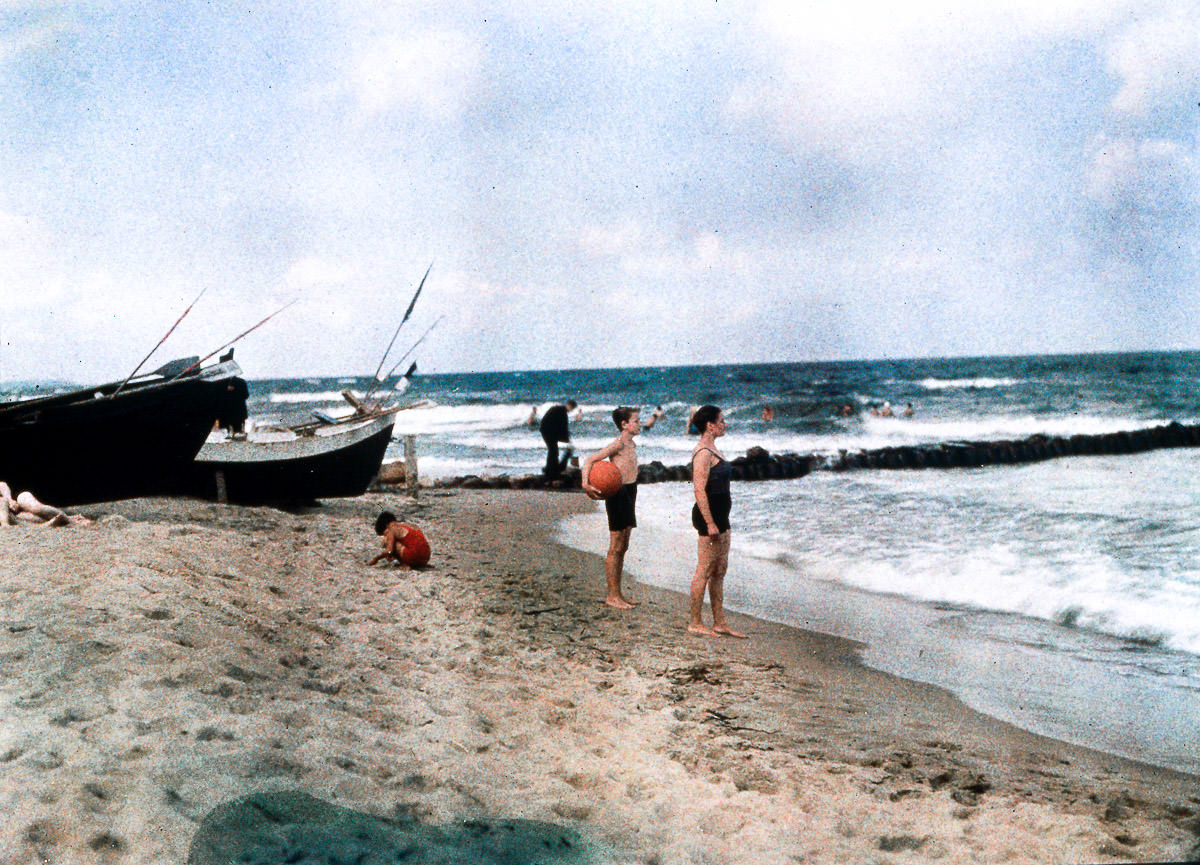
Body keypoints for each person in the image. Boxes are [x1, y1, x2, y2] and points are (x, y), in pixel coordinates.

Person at [686, 406, 746, 638]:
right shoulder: (702, 452)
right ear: (710, 425)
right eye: (721, 421)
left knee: (720, 570)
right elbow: (699, 490)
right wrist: (710, 523)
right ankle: (695, 621)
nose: (725, 424)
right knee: (704, 569)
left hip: (722, 515)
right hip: (708, 516)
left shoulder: (713, 448)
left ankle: (719, 622)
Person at [580, 407, 642, 609]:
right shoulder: (618, 444)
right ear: (624, 425)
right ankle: (612, 596)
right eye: (636, 421)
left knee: (624, 545)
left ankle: (619, 594)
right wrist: (585, 484)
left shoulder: (631, 444)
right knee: (616, 546)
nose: (639, 424)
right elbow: (590, 460)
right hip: (618, 494)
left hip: (631, 492)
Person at [0, 483, 92, 528]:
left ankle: (69, 519)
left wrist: (9, 499)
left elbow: (2, 485)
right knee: (27, 517)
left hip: (17, 504)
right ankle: (63, 520)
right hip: (15, 516)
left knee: (30, 503)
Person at [539, 400, 577, 479]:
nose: (571, 411)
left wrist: (566, 439)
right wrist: (568, 441)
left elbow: (562, 427)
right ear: (569, 406)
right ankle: (551, 470)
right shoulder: (562, 412)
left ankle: (550, 469)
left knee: (553, 450)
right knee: (553, 450)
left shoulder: (559, 410)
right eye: (572, 409)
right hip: (548, 431)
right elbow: (563, 427)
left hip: (546, 430)